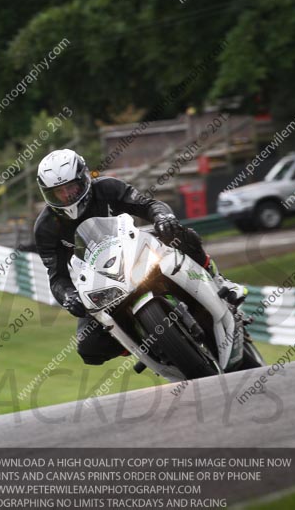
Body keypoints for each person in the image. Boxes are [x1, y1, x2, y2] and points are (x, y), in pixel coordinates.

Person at [33, 149, 246, 366]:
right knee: (89, 348)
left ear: (84, 178)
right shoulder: (46, 228)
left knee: (181, 235)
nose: (67, 195)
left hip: (135, 248)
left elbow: (148, 205)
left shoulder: (107, 188)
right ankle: (138, 342)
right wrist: (69, 296)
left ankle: (218, 280)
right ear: (47, 194)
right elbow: (57, 277)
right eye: (58, 191)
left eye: (71, 187)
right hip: (97, 279)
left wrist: (163, 217)